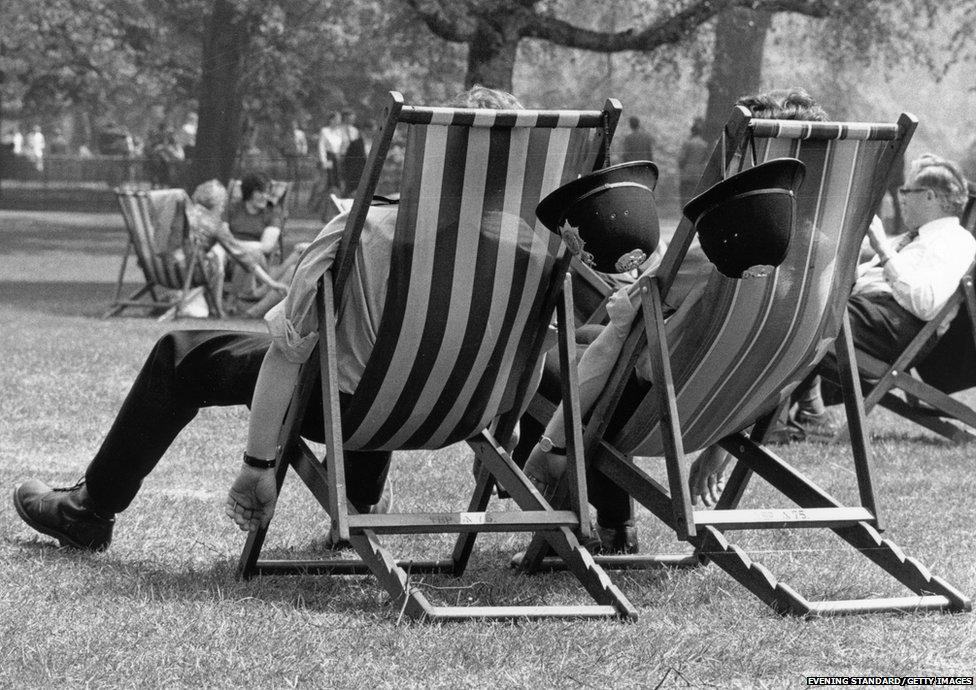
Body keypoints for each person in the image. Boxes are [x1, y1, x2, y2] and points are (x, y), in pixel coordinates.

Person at [11, 85, 529, 551]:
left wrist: (257, 466)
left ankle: (88, 510)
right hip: (461, 415)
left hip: (350, 411)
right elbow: (539, 351)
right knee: (370, 349)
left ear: (434, 153)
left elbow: (289, 348)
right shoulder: (532, 248)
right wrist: (511, 441)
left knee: (182, 355)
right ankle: (363, 503)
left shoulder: (365, 227)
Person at [516, 88, 832, 552]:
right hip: (735, 400)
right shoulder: (826, 249)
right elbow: (770, 351)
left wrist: (551, 444)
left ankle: (608, 521)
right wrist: (726, 441)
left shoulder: (731, 243)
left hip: (667, 403)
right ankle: (606, 522)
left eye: (742, 153)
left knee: (546, 365)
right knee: (590, 336)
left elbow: (633, 308)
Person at [690, 153, 976, 505]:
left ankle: (734, 433)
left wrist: (883, 247)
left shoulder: (955, 240)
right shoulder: (917, 238)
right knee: (789, 306)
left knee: (792, 320)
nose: (901, 198)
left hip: (889, 326)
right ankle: (760, 422)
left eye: (908, 191)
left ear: (931, 197)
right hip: (870, 313)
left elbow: (925, 302)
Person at [184, 179, 292, 318]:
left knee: (244, 255)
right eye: (260, 192)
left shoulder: (188, 215)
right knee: (220, 257)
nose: (223, 208)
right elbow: (240, 255)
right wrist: (271, 283)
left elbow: (265, 247)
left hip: (177, 267)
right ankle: (224, 308)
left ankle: (232, 304)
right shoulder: (222, 219)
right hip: (204, 268)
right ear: (218, 203)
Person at [224, 171, 284, 265]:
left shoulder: (273, 213)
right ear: (249, 192)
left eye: (267, 193)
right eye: (260, 192)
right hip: (228, 257)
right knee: (217, 252)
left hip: (255, 262)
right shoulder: (233, 208)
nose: (265, 196)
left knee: (250, 257)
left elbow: (266, 247)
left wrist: (233, 245)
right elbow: (223, 234)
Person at [677, 118, 709, 206]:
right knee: (694, 195)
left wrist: (681, 167)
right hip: (698, 174)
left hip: (687, 173)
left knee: (684, 194)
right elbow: (704, 160)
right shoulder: (704, 145)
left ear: (692, 132)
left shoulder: (687, 143)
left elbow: (681, 159)